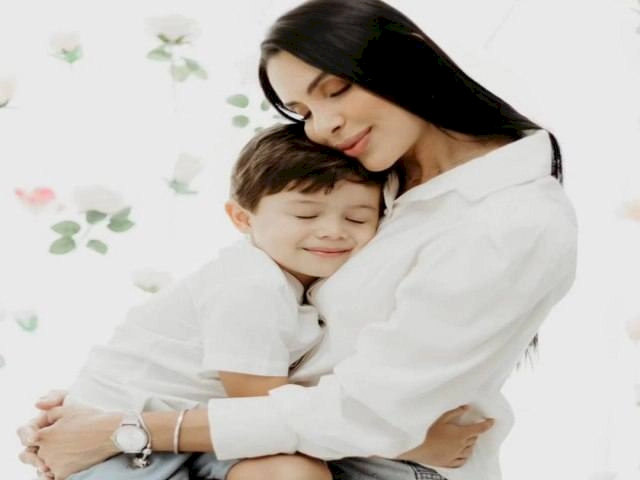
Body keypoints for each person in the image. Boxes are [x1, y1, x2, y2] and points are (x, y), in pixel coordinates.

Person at [18, 0, 577, 479]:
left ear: (408, 56)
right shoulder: (375, 175)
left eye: (336, 90)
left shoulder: (511, 220)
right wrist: (116, 404)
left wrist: (130, 427)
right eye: (304, 110)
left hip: (371, 461)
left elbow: (368, 412)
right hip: (275, 444)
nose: (322, 125)